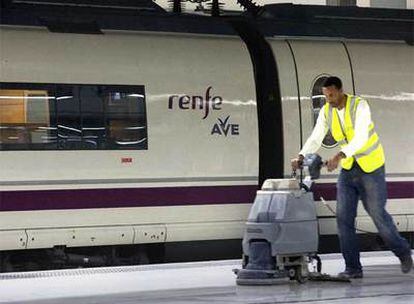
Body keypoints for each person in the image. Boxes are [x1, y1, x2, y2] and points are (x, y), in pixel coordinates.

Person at [291, 76, 412, 279]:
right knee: (343, 219)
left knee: (378, 216)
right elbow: (317, 135)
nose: (328, 99)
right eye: (325, 95)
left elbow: (362, 137)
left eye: (331, 94)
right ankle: (353, 268)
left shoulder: (360, 106)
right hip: (349, 170)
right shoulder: (326, 111)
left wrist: (339, 155)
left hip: (371, 167)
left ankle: (403, 252)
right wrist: (302, 154)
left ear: (340, 91)